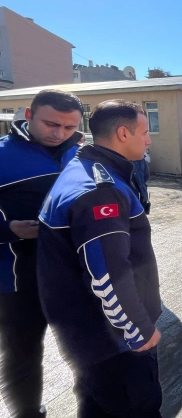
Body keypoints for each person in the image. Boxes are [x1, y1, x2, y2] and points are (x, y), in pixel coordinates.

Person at [37, 100, 163, 417]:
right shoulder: (100, 190)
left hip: (88, 342)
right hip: (112, 345)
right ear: (123, 133)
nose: (148, 140)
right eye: (144, 132)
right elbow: (107, 275)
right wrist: (140, 331)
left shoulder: (86, 170)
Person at [0, 89, 83, 418]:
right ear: (28, 114)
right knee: (23, 355)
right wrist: (7, 230)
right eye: (51, 124)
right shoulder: (3, 156)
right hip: (18, 280)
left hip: (73, 273)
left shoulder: (80, 155)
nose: (59, 133)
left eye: (69, 127)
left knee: (84, 349)